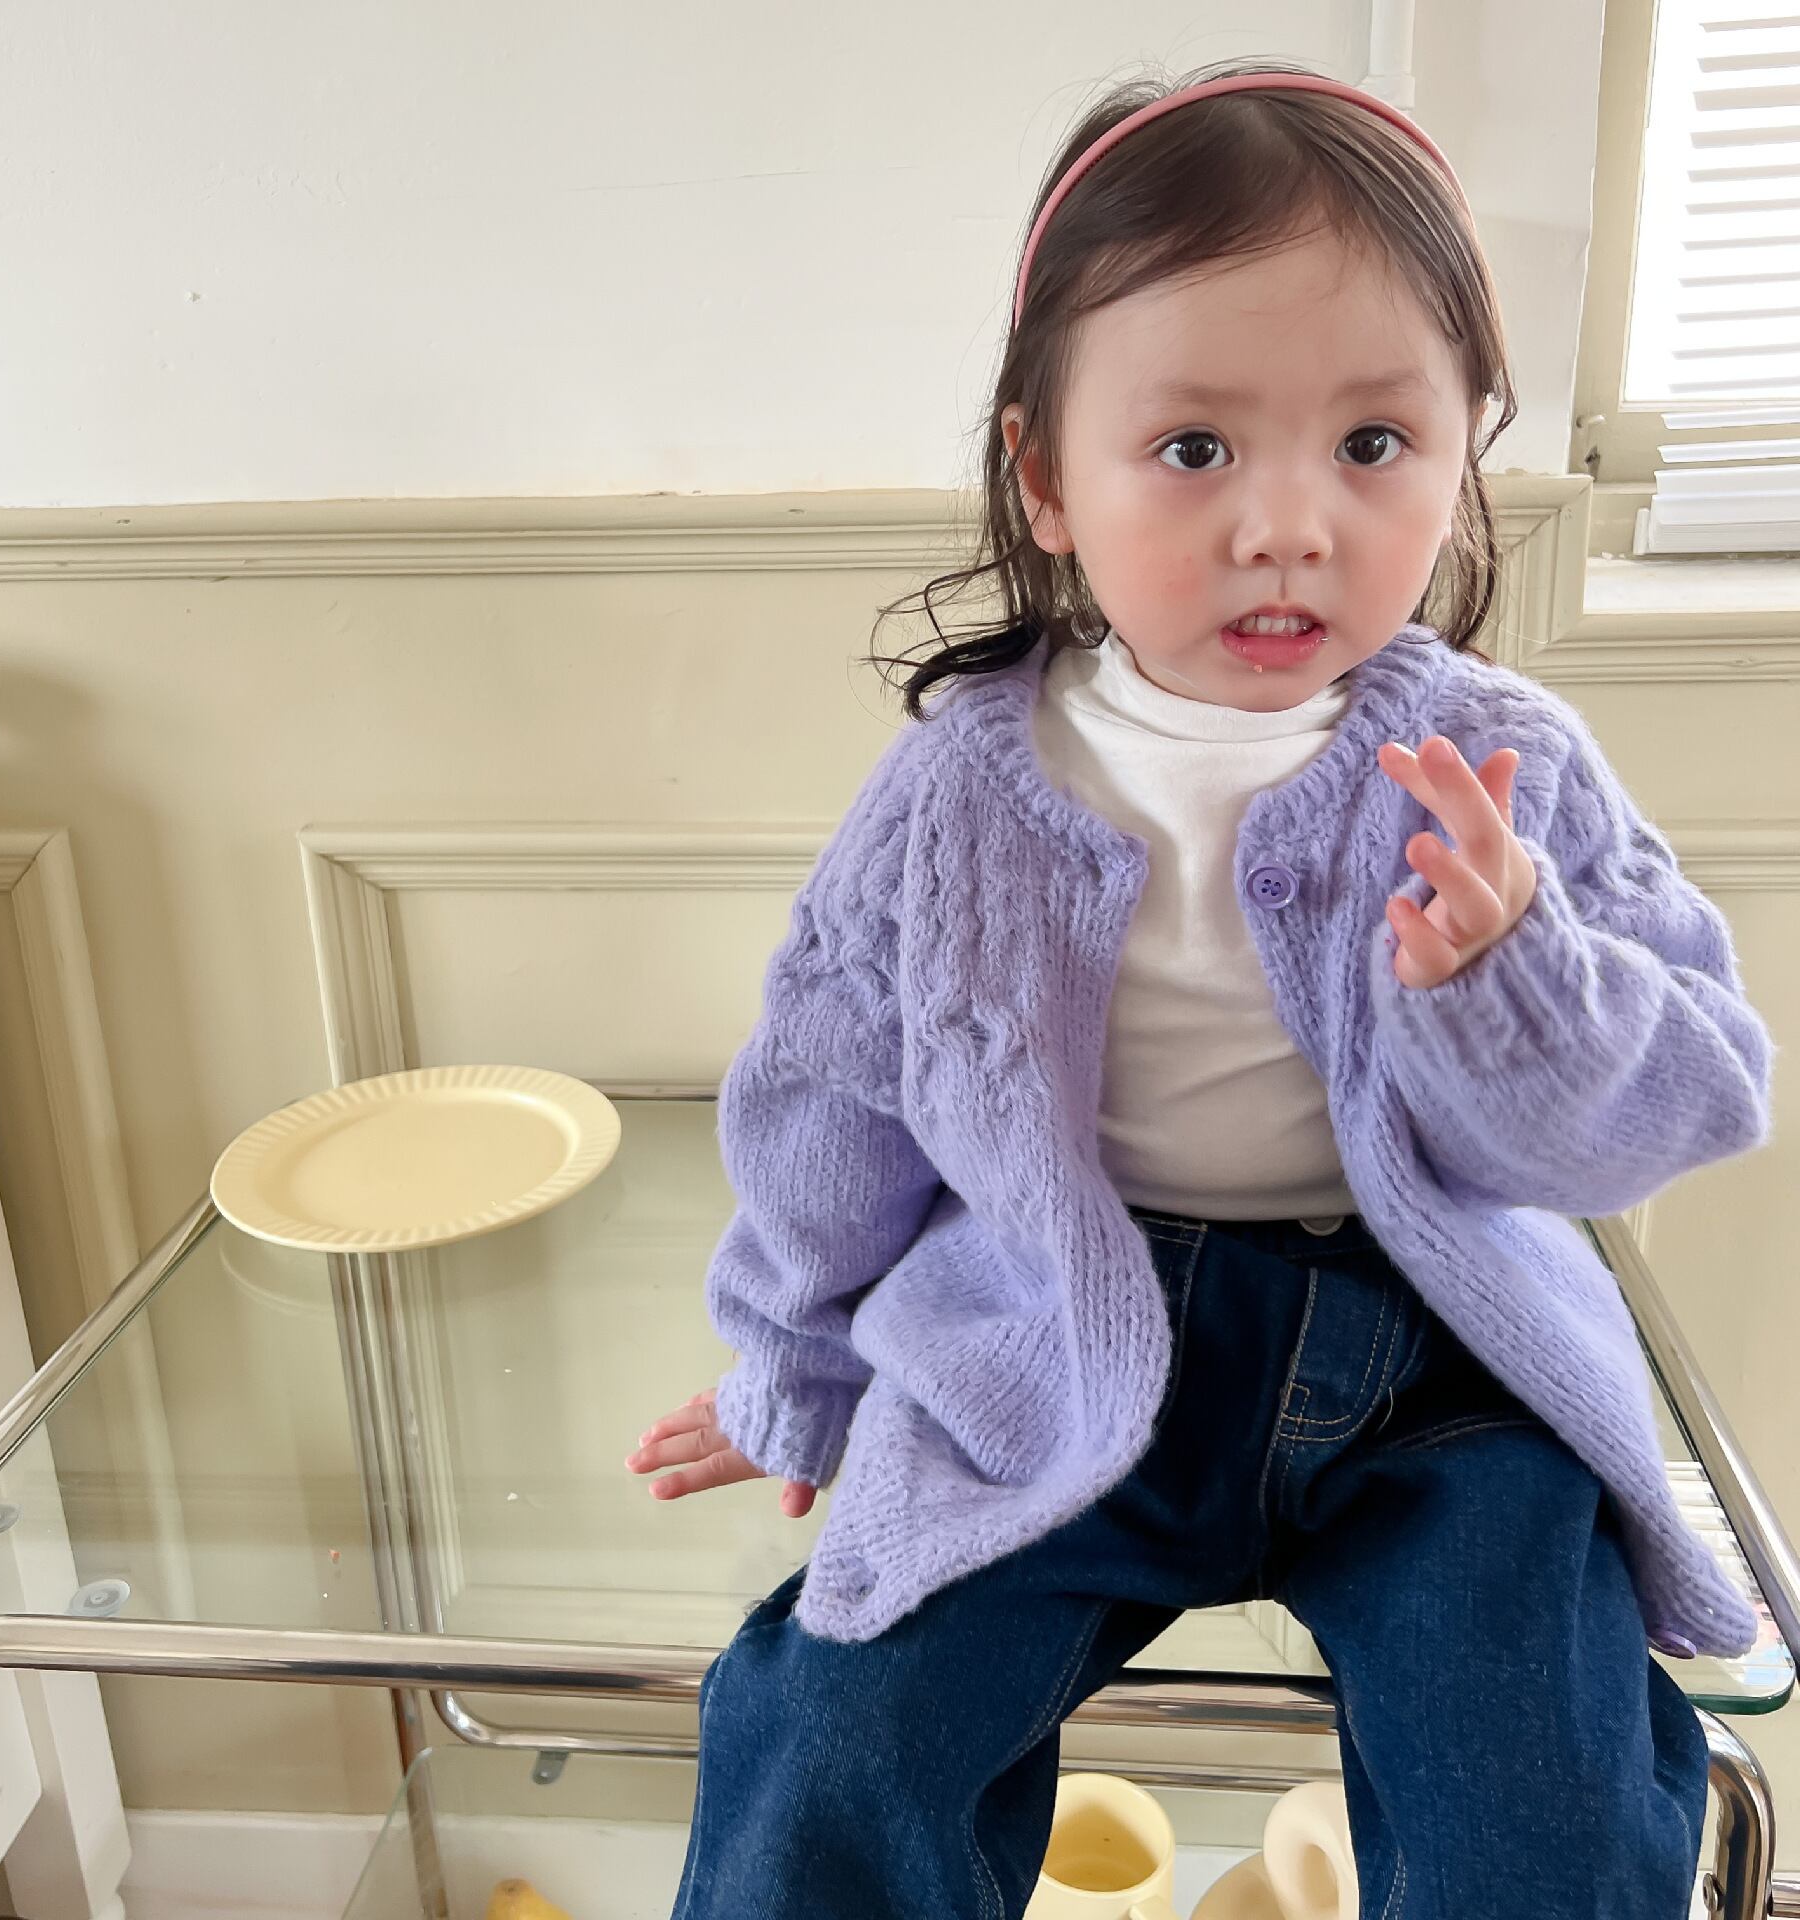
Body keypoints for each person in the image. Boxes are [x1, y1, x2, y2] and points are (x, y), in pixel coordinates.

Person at [623, 57, 1778, 1920]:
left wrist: (1511, 976)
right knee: (833, 1744)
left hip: (1436, 1370)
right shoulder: (960, 789)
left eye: (1375, 445)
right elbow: (831, 1090)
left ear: (1464, 456)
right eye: (1193, 450)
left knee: (1546, 1805)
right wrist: (797, 1354)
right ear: (1045, 478)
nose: (1288, 525)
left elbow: (1684, 1098)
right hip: (1051, 1328)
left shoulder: (1504, 769)